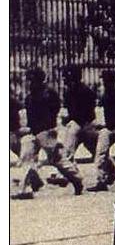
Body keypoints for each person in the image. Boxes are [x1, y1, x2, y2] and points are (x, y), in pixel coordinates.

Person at [14, 67, 84, 198]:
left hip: (46, 132)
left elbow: (53, 111)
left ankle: (77, 179)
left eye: (30, 80)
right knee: (26, 157)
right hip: (35, 132)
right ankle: (24, 189)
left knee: (57, 160)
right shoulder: (31, 96)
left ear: (36, 80)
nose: (28, 83)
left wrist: (47, 128)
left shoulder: (48, 94)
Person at [60, 64, 100, 163]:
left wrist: (68, 119)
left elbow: (82, 112)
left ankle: (69, 171)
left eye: (65, 77)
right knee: (99, 153)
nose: (64, 80)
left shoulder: (77, 92)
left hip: (82, 125)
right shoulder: (83, 90)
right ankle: (110, 170)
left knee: (68, 152)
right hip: (87, 125)